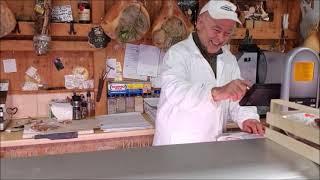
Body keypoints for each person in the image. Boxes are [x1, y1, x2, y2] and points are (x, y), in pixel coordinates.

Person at [153, 0, 265, 146]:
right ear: (199, 23)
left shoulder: (229, 59)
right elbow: (175, 91)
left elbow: (237, 99)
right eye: (216, 30)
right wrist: (215, 93)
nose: (221, 38)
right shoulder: (177, 53)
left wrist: (248, 118)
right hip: (178, 145)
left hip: (213, 145)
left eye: (227, 33)